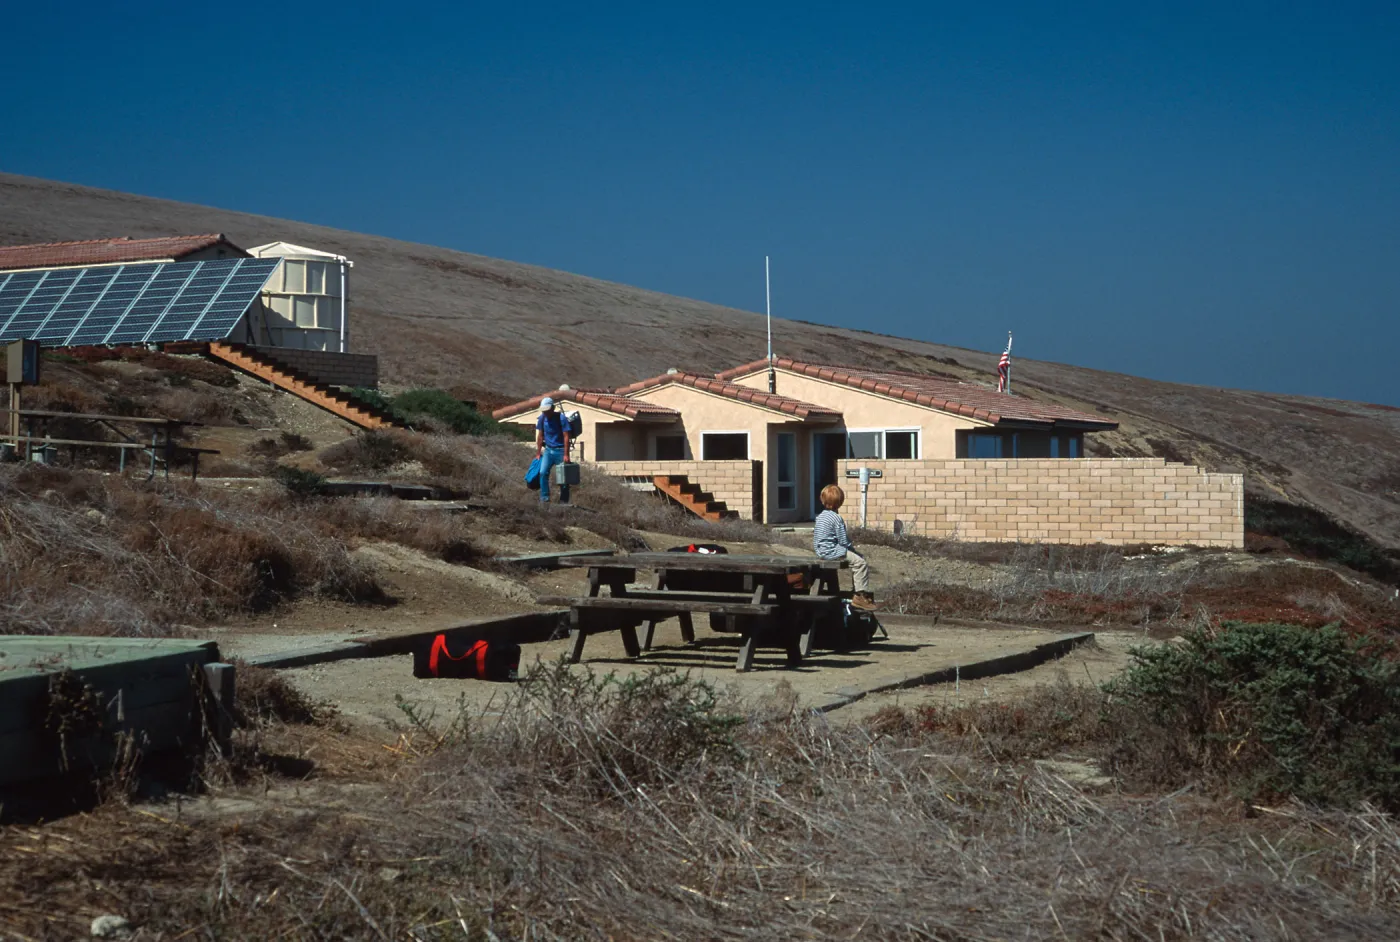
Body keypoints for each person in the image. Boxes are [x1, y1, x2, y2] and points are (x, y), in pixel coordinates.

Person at [813, 484, 875, 610]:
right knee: (860, 563)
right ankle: (859, 595)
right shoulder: (837, 518)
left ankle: (856, 592)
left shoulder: (820, 517)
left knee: (855, 561)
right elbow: (843, 541)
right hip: (833, 550)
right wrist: (853, 550)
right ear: (840, 502)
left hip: (821, 551)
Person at [534, 396, 571, 504]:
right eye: (543, 411)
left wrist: (566, 454)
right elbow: (540, 436)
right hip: (548, 450)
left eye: (547, 410)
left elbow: (566, 436)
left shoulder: (561, 418)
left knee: (564, 477)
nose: (545, 413)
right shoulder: (542, 419)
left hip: (560, 450)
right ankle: (544, 498)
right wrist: (538, 452)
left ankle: (564, 501)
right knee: (543, 472)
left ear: (552, 408)